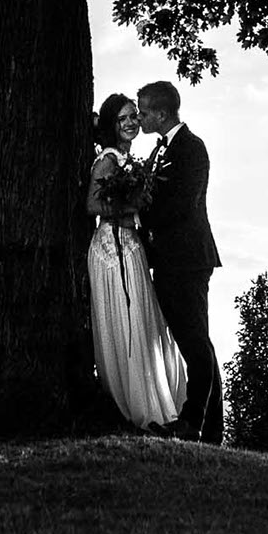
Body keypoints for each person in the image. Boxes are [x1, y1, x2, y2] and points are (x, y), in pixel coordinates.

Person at [85, 92, 186, 429]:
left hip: (131, 244)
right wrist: (134, 207)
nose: (131, 123)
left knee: (143, 321)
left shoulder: (131, 161)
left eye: (134, 116)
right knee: (127, 322)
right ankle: (137, 406)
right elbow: (93, 206)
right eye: (123, 118)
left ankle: (157, 399)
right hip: (113, 248)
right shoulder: (108, 160)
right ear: (112, 125)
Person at [135, 79, 224, 442]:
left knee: (194, 342)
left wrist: (138, 216)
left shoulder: (191, 148)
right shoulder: (159, 152)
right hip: (169, 260)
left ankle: (192, 423)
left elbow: (182, 204)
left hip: (188, 259)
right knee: (195, 342)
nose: (140, 118)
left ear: (161, 112)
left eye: (143, 112)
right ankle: (211, 428)